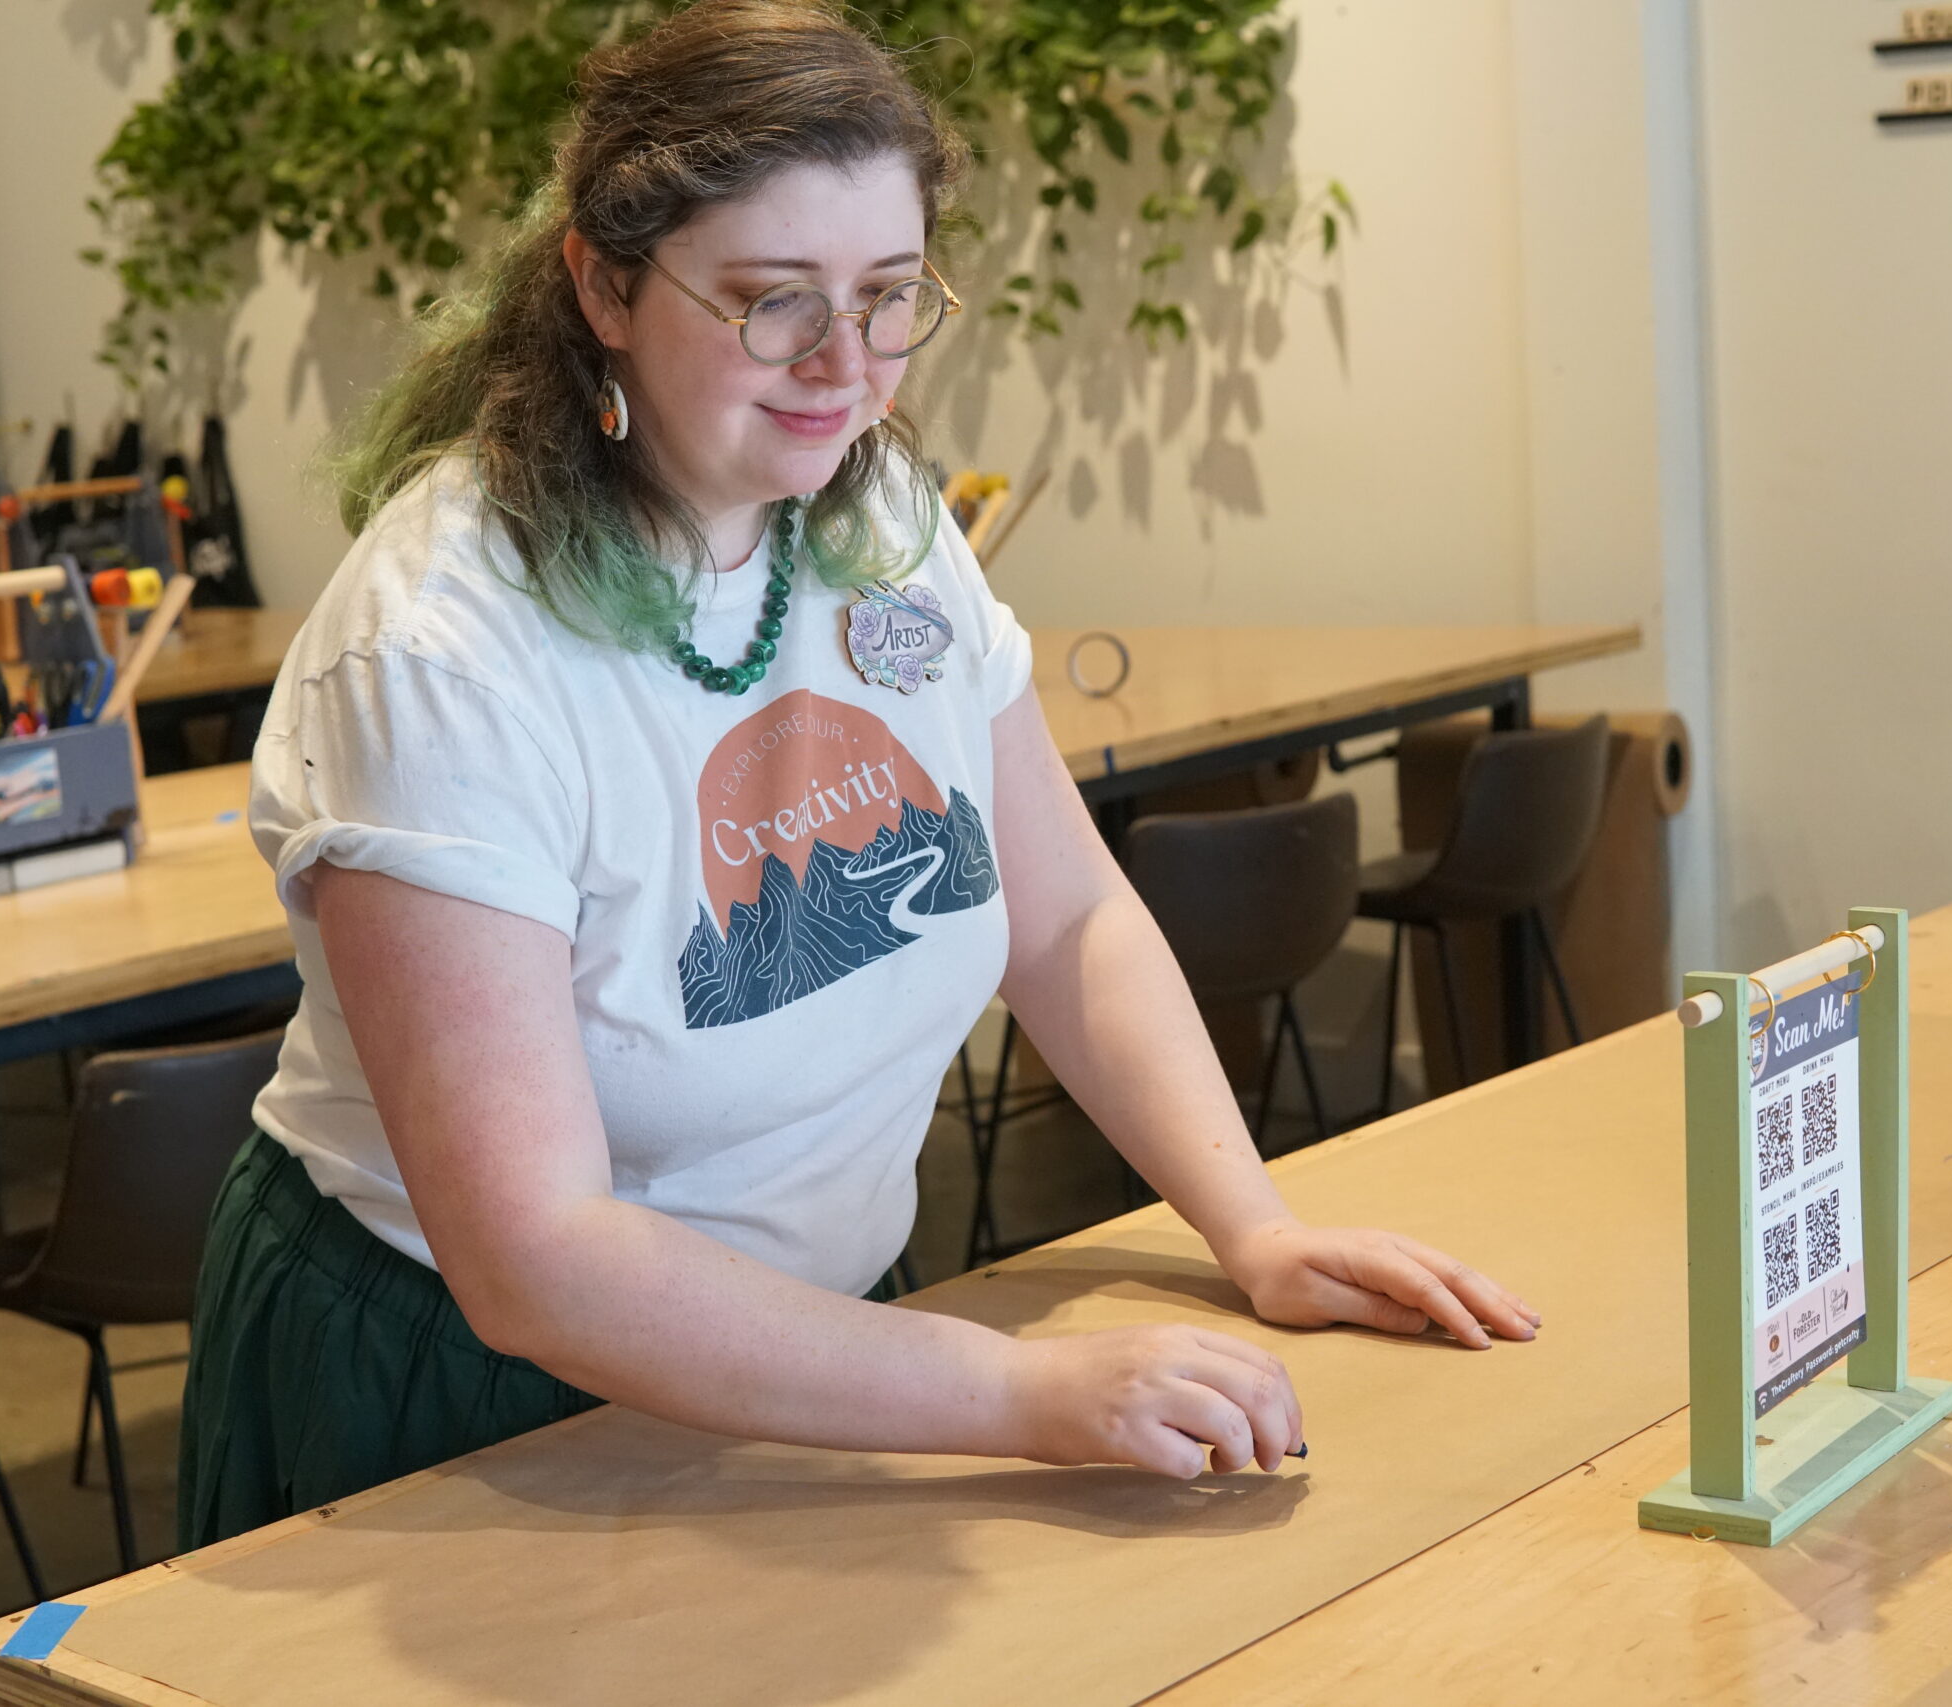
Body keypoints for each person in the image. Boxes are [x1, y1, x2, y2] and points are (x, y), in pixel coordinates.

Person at [178, 0, 1538, 1552]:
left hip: (825, 1338)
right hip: (465, 1376)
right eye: (773, 304)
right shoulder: (439, 650)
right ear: (602, 283)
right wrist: (1023, 1394)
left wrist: (1257, 1223)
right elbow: (537, 1258)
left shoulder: (875, 515)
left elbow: (1063, 913)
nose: (847, 368)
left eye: (890, 299)